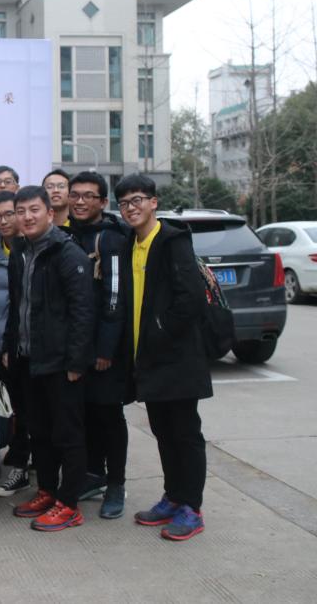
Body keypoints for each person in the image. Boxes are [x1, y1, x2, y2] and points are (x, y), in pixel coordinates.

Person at [116, 174, 211, 541]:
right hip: (148, 360)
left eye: (137, 200)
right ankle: (173, 497)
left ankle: (192, 508)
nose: (131, 208)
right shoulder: (130, 243)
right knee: (163, 432)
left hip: (176, 358)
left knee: (185, 433)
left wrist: (158, 330)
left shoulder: (172, 240)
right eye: (124, 203)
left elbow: (190, 299)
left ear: (154, 202)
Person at [2, 186, 94, 531]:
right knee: (39, 431)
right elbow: (17, 306)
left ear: (50, 213)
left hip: (61, 362)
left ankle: (69, 504)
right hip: (29, 358)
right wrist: (11, 346)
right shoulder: (20, 251)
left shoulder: (68, 254)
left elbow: (83, 312)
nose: (27, 217)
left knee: (67, 434)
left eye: (34, 210)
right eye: (21, 211)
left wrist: (76, 362)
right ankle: (48, 491)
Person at [67, 171, 132, 519]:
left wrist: (106, 348)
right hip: (77, 345)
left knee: (109, 415)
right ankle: (94, 475)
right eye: (75, 195)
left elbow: (115, 296)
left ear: (103, 202)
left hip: (104, 349)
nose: (80, 201)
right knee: (86, 413)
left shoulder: (110, 239)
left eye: (88, 196)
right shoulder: (70, 235)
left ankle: (117, 483)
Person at [0, 191, 32, 498]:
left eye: (9, 214)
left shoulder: (29, 250)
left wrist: (10, 346)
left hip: (21, 344)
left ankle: (21, 468)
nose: (4, 221)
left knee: (25, 410)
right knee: (3, 408)